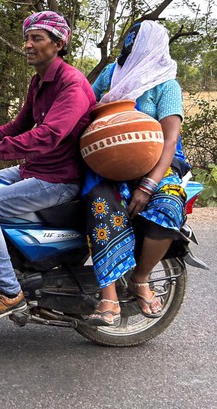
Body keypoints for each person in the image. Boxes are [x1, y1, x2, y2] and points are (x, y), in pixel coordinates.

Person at [0, 11, 96, 321]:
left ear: (58, 44)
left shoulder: (71, 84)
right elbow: (17, 127)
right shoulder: (39, 82)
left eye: (37, 38)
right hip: (34, 170)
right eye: (27, 38)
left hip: (59, 179)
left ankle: (9, 292)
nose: (28, 44)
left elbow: (46, 136)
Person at [82, 20, 191, 326]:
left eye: (135, 41)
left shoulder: (166, 84)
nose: (129, 46)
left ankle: (140, 278)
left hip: (156, 164)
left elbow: (170, 139)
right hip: (106, 162)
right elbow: (85, 108)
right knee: (101, 205)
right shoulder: (110, 74)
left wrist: (148, 185)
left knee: (168, 207)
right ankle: (108, 297)